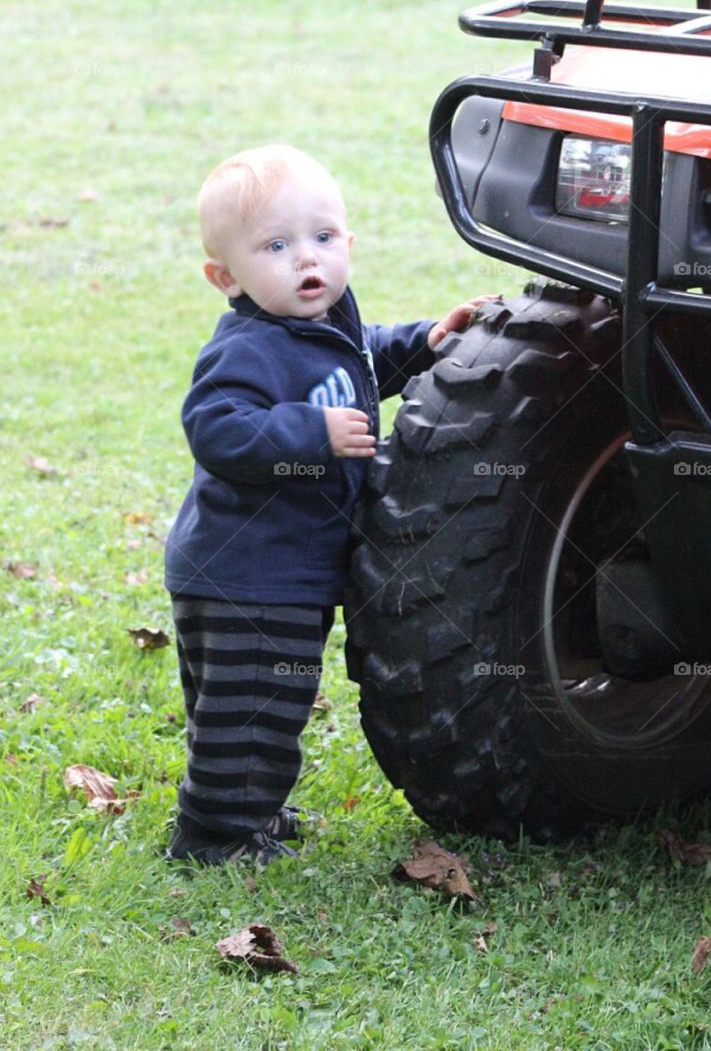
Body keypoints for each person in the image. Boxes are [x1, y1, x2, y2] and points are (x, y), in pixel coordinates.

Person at [163, 143, 490, 866]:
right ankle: (215, 835)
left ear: (347, 241)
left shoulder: (328, 323)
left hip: (284, 574)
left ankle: (251, 810)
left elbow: (366, 356)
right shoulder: (249, 348)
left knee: (255, 709)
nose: (305, 260)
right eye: (274, 247)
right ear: (227, 277)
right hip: (246, 573)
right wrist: (308, 433)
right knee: (250, 710)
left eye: (322, 238)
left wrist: (426, 342)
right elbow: (214, 427)